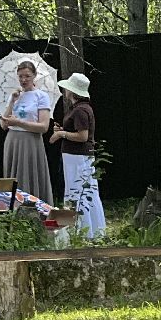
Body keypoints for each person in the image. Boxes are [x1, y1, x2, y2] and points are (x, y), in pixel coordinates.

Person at [49, 71, 106, 239]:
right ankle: (90, 230)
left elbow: (82, 136)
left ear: (73, 92)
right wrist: (63, 131)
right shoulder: (80, 108)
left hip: (78, 158)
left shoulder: (81, 110)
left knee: (79, 192)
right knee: (83, 191)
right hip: (75, 157)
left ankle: (85, 232)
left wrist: (62, 134)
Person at [0, 60, 54, 206]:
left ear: (34, 76)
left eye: (27, 76)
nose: (23, 80)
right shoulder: (14, 96)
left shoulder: (41, 96)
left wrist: (19, 123)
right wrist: (12, 102)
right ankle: (14, 211)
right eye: (20, 76)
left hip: (30, 141)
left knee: (29, 174)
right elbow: (4, 124)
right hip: (12, 140)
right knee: (14, 176)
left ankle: (34, 210)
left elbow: (43, 127)